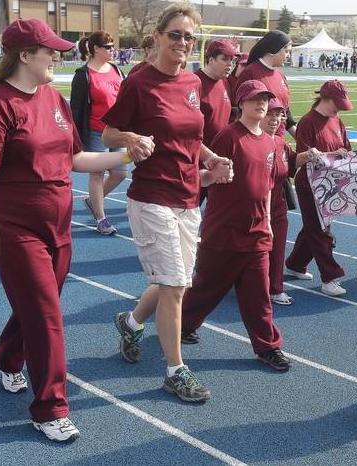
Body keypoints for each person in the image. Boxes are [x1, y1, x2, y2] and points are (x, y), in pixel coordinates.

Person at [0, 18, 134, 442]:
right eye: (50, 51)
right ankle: (50, 408)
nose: (58, 56)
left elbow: (76, 159)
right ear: (25, 56)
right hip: (18, 230)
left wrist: (129, 156)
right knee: (47, 317)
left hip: (58, 228)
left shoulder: (54, 98)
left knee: (37, 309)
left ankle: (6, 356)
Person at [102, 3, 233, 403]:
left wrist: (211, 158)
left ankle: (130, 321)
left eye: (189, 37)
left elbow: (192, 138)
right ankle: (176, 370)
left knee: (174, 280)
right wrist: (131, 140)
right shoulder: (140, 82)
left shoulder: (192, 83)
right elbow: (109, 133)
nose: (182, 43)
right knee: (176, 285)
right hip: (151, 196)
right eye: (175, 34)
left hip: (188, 194)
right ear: (158, 36)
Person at [181, 80, 292, 371]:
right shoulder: (228, 136)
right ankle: (182, 323)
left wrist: (266, 220)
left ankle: (267, 346)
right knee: (207, 286)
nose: (262, 104)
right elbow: (203, 171)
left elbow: (267, 187)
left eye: (265, 99)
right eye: (255, 99)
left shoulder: (270, 141)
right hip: (224, 230)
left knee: (258, 294)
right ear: (241, 103)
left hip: (256, 232)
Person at [285, 80, 353, 296]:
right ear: (326, 98)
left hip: (331, 184)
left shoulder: (338, 121)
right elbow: (306, 157)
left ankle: (295, 264)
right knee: (320, 230)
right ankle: (329, 277)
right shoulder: (308, 122)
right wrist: (332, 155)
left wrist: (343, 154)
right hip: (310, 185)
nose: (339, 108)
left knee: (313, 228)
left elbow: (347, 148)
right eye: (337, 103)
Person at [70, 31, 127, 235]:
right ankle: (101, 218)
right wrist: (74, 136)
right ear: (96, 49)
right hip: (95, 131)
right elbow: (76, 108)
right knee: (97, 173)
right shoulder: (83, 75)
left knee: (120, 173)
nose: (113, 50)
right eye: (109, 46)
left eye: (113, 46)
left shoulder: (117, 70)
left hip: (117, 130)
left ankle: (93, 200)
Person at [261, 98, 294, 306]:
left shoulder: (282, 143)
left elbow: (292, 163)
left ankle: (275, 288)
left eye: (279, 114)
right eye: (270, 114)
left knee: (278, 247)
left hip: (278, 206)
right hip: (252, 208)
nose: (275, 119)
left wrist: (311, 156)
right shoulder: (246, 139)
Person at [235, 30, 296, 137]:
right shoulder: (250, 72)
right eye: (286, 51)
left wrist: (297, 135)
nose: (288, 56)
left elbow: (286, 111)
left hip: (278, 139)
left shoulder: (281, 75)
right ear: (274, 49)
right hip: (257, 139)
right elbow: (239, 109)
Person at [196, 39, 237, 147]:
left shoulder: (224, 81)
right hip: (201, 156)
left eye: (232, 60)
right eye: (224, 59)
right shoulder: (194, 82)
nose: (230, 64)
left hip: (221, 152)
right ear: (210, 60)